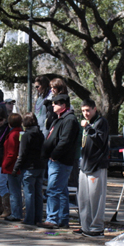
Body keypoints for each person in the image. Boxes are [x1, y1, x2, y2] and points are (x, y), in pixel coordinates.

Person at [41, 93, 80, 229]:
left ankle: (52, 219)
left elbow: (65, 141)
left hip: (60, 161)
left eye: (56, 103)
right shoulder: (61, 118)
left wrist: (55, 155)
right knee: (62, 191)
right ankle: (63, 219)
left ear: (63, 105)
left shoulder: (69, 120)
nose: (53, 105)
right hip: (57, 161)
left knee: (53, 190)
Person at [75, 99, 110, 237]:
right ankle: (86, 226)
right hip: (85, 165)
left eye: (88, 110)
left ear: (95, 109)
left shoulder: (101, 122)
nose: (86, 113)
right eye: (83, 111)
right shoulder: (87, 124)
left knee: (96, 198)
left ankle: (97, 228)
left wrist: (88, 129)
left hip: (97, 165)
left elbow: (101, 141)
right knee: (83, 198)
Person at [14, 112, 45, 225]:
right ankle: (38, 218)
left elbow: (22, 154)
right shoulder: (40, 135)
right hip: (40, 166)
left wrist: (15, 168)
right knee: (38, 194)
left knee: (29, 194)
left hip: (29, 167)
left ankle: (29, 219)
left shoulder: (26, 135)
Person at [1, 113, 23, 222]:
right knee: (17, 191)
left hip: (12, 166)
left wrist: (4, 165)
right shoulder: (20, 132)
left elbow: (11, 153)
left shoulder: (13, 134)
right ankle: (18, 212)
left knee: (14, 191)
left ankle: (16, 213)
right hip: (19, 166)